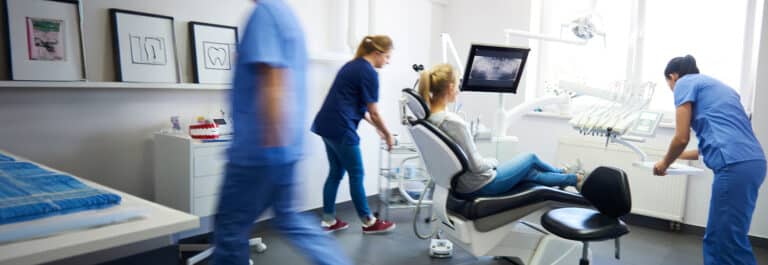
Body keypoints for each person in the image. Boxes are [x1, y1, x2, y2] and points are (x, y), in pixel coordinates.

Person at [211, 1, 351, 264]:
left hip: (260, 150)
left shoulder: (264, 14)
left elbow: (273, 79)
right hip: (285, 145)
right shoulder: (286, 16)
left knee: (229, 227)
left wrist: (272, 143)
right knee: (290, 219)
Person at [654, 55, 766, 265]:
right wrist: (667, 157)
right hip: (753, 162)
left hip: (734, 165)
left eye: (669, 85)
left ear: (673, 76)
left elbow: (681, 138)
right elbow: (705, 149)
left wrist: (664, 164)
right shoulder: (720, 88)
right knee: (730, 236)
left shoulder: (684, 83)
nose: (672, 89)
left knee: (723, 243)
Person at [418, 64, 584, 198]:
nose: (459, 90)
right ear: (450, 87)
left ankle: (570, 178)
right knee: (530, 158)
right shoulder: (453, 122)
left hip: (462, 184)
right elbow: (477, 166)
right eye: (458, 85)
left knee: (531, 174)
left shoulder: (430, 119)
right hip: (481, 185)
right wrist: (493, 162)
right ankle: (567, 174)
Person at [311, 35, 397, 234]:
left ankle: (328, 220)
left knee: (335, 173)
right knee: (357, 174)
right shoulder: (368, 72)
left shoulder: (352, 66)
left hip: (326, 125)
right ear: (377, 53)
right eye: (387, 57)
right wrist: (387, 133)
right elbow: (374, 110)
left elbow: (353, 103)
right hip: (341, 127)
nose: (388, 61)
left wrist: (374, 125)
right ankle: (369, 222)